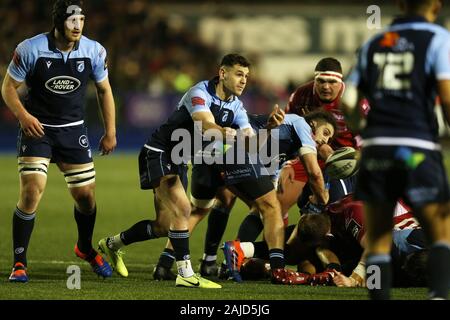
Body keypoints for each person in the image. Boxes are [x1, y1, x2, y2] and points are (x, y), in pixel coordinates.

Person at [98, 53, 301, 287]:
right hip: (159, 152)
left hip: (181, 161)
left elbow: (251, 144)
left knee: (165, 225)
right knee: (184, 209)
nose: (244, 80)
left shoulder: (237, 107)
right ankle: (185, 274)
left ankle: (112, 244)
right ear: (222, 73)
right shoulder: (199, 92)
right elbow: (204, 124)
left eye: (246, 75)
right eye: (238, 74)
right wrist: (228, 133)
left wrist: (268, 128)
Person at [1, 0, 116, 282]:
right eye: (71, 21)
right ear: (58, 22)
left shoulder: (94, 50)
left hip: (72, 132)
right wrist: (24, 116)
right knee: (31, 191)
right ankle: (19, 263)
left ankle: (85, 248)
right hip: (37, 129)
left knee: (86, 198)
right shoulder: (30, 49)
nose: (78, 26)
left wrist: (110, 131)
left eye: (82, 20)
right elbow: (8, 88)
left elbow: (104, 90)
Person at [342, 0, 450, 299]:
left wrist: (362, 129)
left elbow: (348, 101)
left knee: (377, 240)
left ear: (401, 4)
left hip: (377, 151)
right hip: (416, 147)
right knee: (441, 233)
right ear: (437, 7)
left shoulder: (375, 42)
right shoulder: (438, 39)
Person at [152, 110, 336, 280]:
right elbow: (314, 173)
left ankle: (164, 264)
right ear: (313, 125)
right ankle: (278, 270)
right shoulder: (301, 124)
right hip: (233, 149)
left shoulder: (290, 145)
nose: (326, 141)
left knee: (199, 210)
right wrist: (324, 201)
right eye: (326, 133)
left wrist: (271, 186)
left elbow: (273, 165)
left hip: (208, 151)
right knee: (271, 208)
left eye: (330, 138)